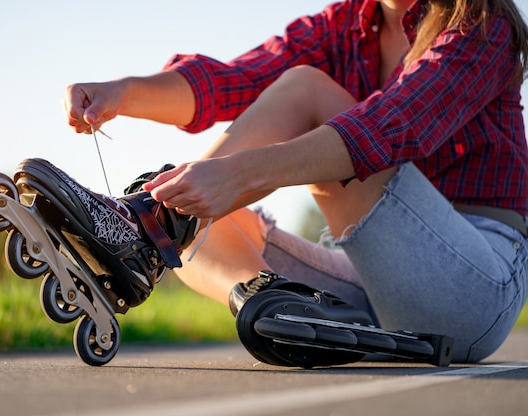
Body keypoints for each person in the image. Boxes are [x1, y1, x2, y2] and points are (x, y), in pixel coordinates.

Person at [61, 0, 528, 363]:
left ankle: (145, 229)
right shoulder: (344, 25)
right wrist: (121, 93)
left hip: (475, 289)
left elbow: (393, 124)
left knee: (302, 93)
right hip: (379, 283)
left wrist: (239, 173)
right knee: (206, 216)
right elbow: (234, 80)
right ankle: (281, 314)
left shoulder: (480, 23)